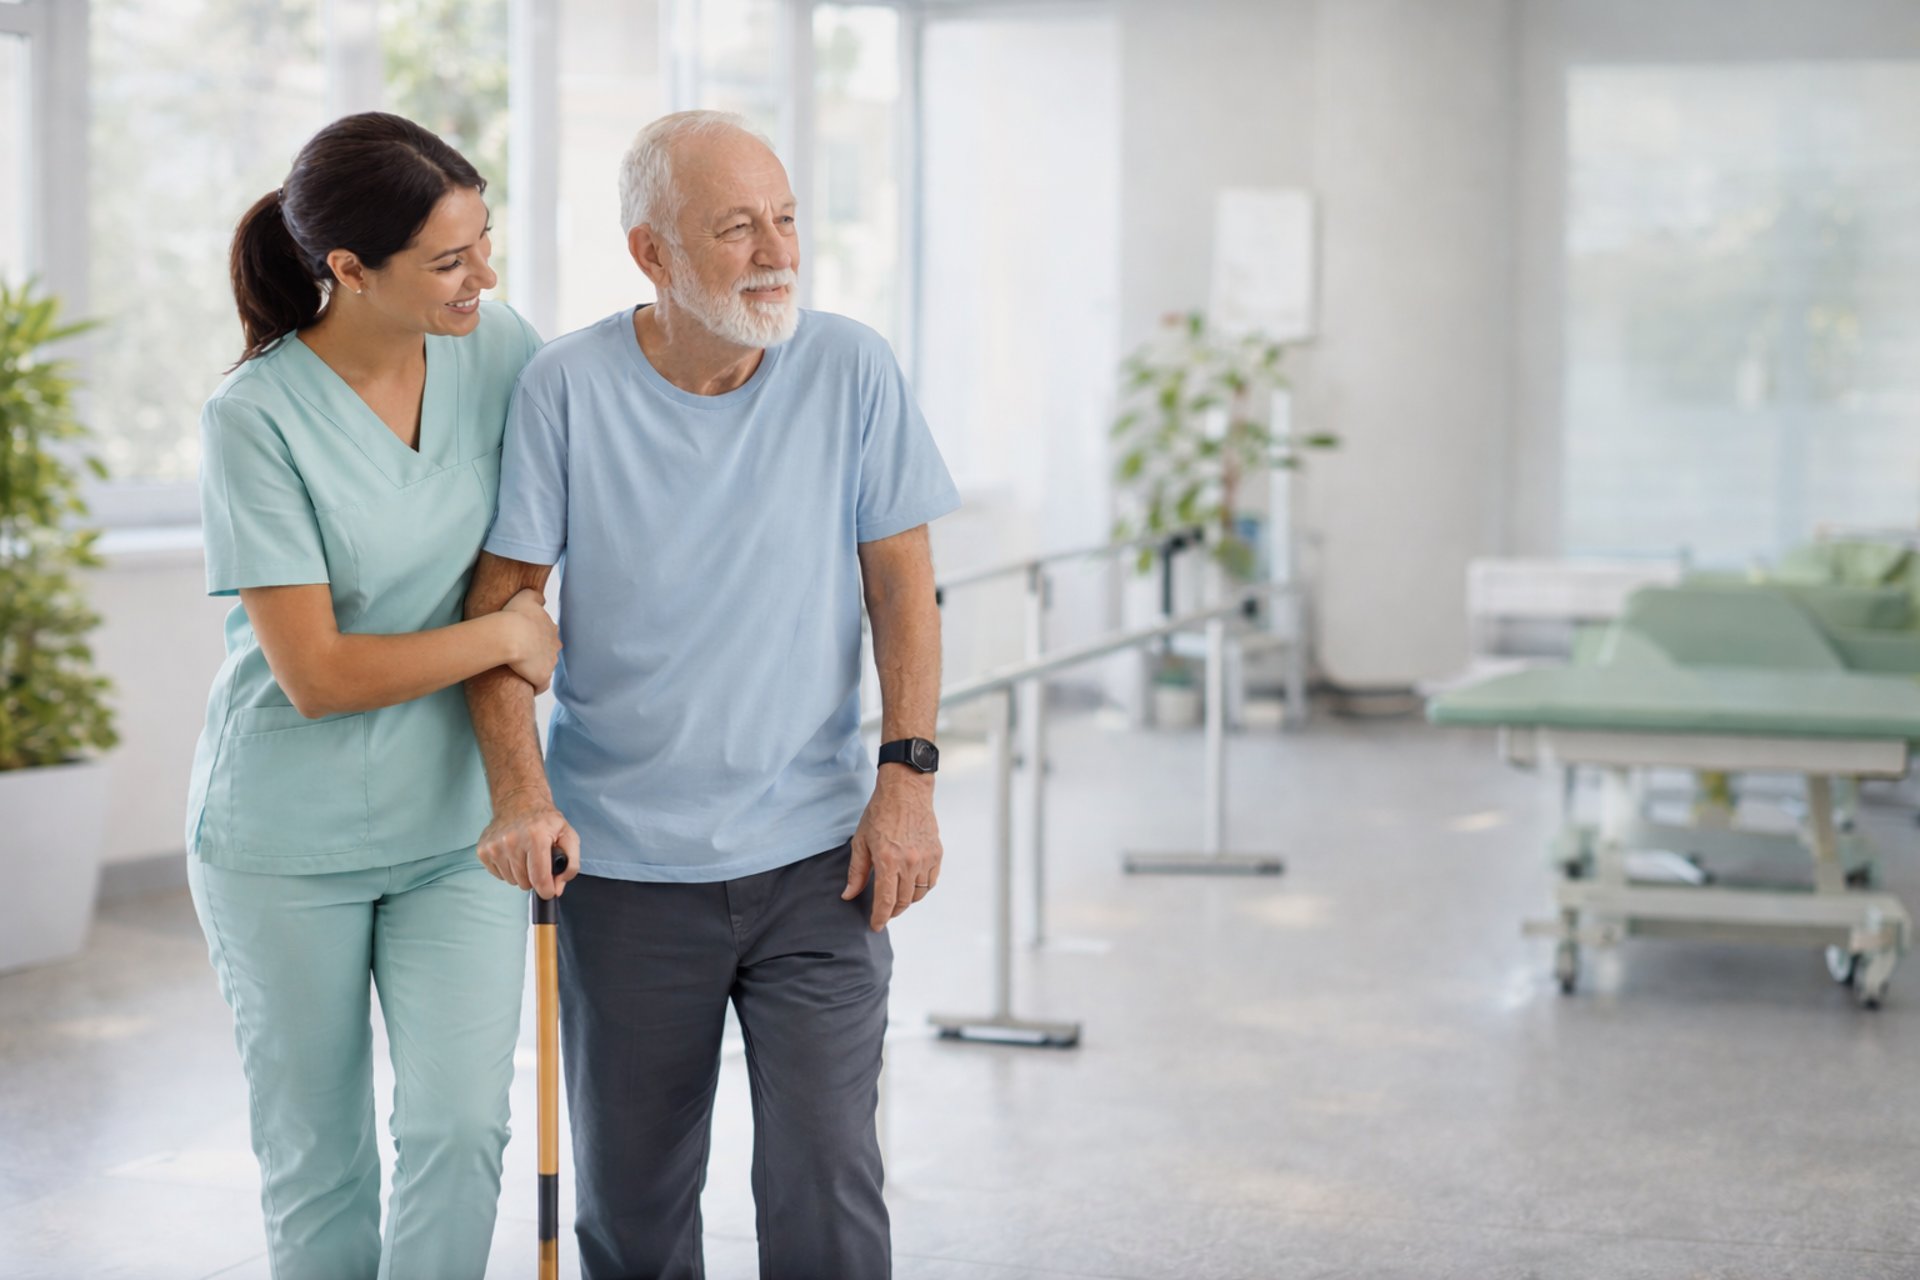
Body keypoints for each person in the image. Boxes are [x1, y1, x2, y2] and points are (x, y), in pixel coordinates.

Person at [463, 109, 959, 1279]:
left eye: (785, 218)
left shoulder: (850, 365)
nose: (775, 250)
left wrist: (909, 779)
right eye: (735, 228)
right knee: (634, 1205)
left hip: (819, 858)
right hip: (627, 870)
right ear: (653, 252)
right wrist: (520, 794)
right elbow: (501, 620)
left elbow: (904, 586)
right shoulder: (565, 387)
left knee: (829, 1180)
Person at [183, 111, 560, 1280]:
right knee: (321, 1158)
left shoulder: (499, 348)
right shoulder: (254, 418)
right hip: (284, 841)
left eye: (483, 243)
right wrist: (498, 629)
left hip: (455, 827)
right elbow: (321, 673)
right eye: (450, 260)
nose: (481, 276)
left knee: (460, 1127)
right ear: (348, 269)